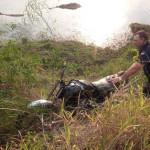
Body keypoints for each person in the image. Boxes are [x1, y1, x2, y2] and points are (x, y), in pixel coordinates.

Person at [109, 30, 150, 96]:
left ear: (143, 40)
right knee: (144, 95)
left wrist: (120, 78)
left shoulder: (147, 51)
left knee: (144, 96)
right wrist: (125, 72)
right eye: (133, 40)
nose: (134, 43)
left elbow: (136, 67)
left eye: (136, 40)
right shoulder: (144, 48)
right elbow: (137, 63)